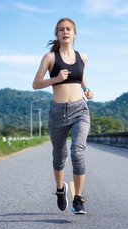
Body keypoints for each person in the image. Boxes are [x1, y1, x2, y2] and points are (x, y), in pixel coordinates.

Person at [33, 18, 93, 214]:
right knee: (59, 156)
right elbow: (36, 83)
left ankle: (78, 199)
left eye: (68, 29)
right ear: (57, 34)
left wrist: (88, 90)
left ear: (74, 34)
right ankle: (60, 190)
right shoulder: (50, 58)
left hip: (80, 110)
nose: (65, 32)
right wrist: (56, 79)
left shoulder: (82, 57)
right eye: (60, 30)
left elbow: (82, 79)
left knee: (77, 152)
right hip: (58, 111)